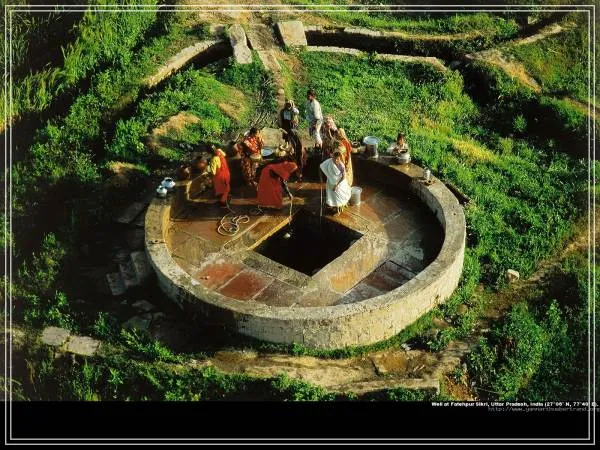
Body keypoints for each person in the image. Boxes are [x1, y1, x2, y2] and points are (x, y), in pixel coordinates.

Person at [322, 116, 353, 186]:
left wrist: (332, 155)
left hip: (342, 162)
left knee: (342, 176)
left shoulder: (342, 146)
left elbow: (343, 155)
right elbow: (332, 140)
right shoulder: (340, 141)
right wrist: (328, 131)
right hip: (339, 161)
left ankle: (343, 185)